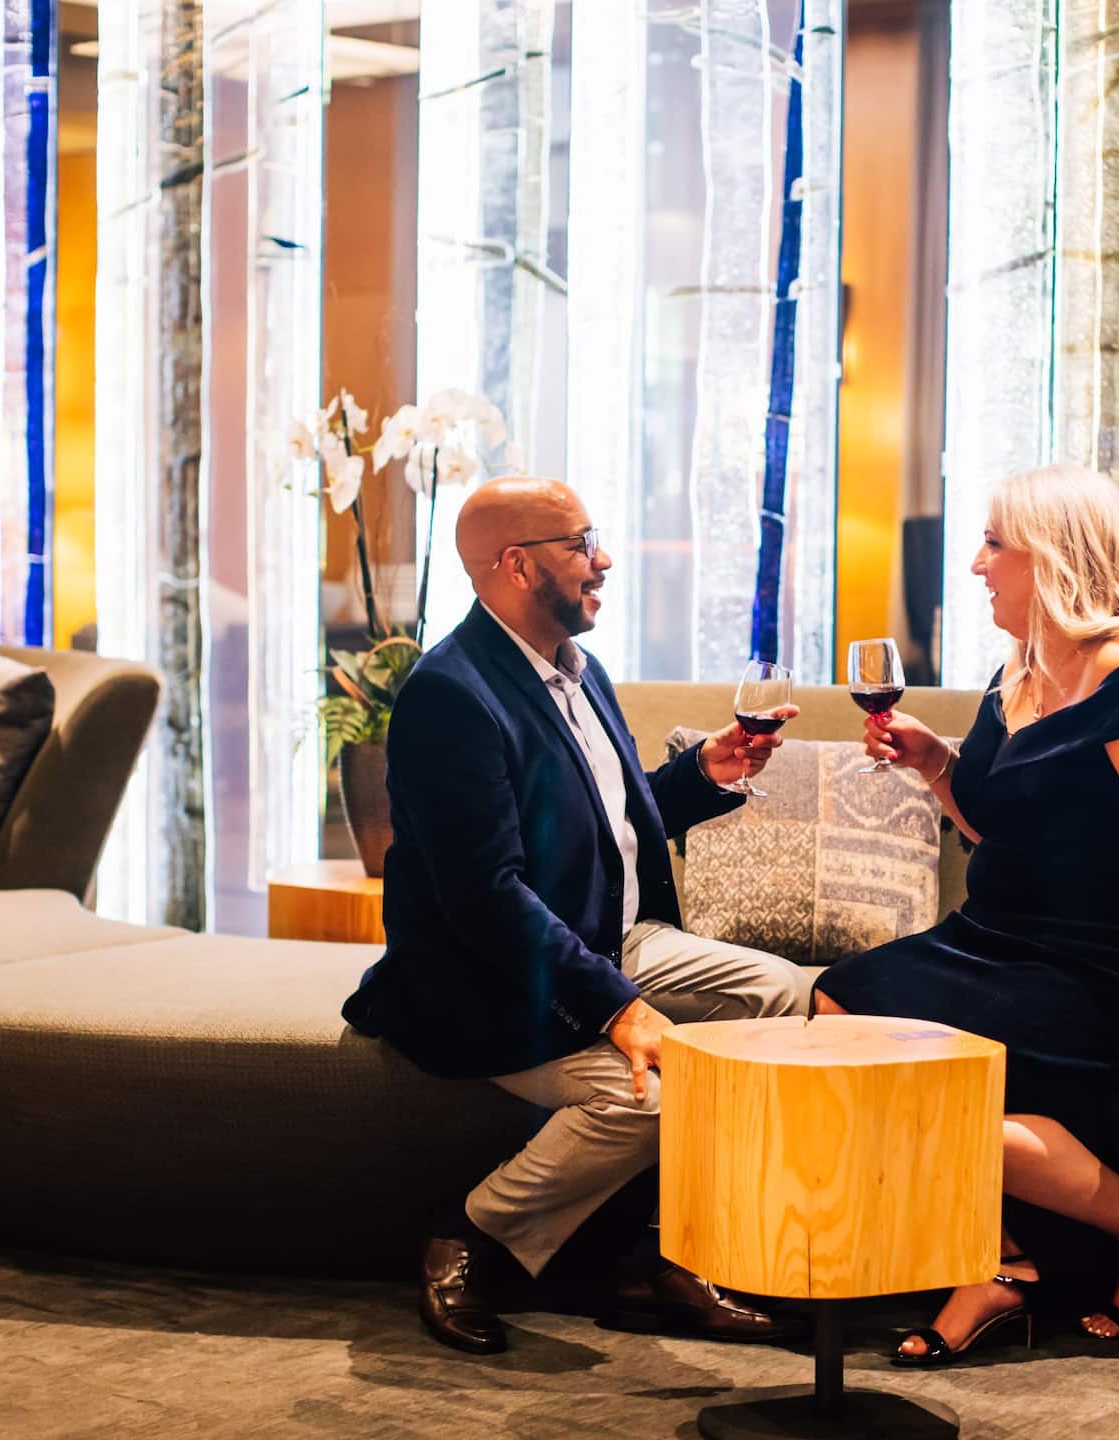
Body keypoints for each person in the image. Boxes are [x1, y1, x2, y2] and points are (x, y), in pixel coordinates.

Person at [813, 464, 1119, 1364]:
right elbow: (999, 820)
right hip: (1007, 940)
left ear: (1054, 557)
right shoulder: (1021, 671)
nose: (977, 565)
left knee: (924, 1085)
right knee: (837, 1007)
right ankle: (998, 1259)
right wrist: (936, 765)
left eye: (994, 544)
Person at [342, 476, 807, 1355]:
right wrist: (621, 1008)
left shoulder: (574, 670)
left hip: (609, 937)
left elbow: (603, 829)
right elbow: (486, 897)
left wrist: (703, 773)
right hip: (487, 980)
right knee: (658, 1098)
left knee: (779, 997)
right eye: (582, 543)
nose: (603, 561)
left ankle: (661, 1256)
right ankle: (469, 1236)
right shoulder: (452, 696)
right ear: (517, 566)